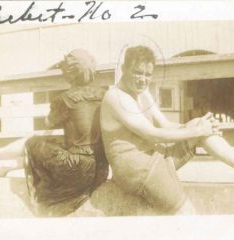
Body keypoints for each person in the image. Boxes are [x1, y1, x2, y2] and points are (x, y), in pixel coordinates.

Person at [100, 45, 234, 215]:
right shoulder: (116, 97)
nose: (143, 79)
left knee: (199, 122)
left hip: (156, 158)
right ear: (123, 69)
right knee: (189, 217)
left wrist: (203, 127)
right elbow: (151, 134)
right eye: (137, 72)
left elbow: (164, 124)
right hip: (138, 171)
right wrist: (199, 131)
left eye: (148, 74)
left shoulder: (141, 92)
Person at [0, 49, 109, 216]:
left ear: (69, 74)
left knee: (32, 143)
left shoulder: (65, 98)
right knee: (57, 143)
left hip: (77, 168)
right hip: (100, 168)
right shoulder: (104, 94)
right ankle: (6, 166)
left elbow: (49, 122)